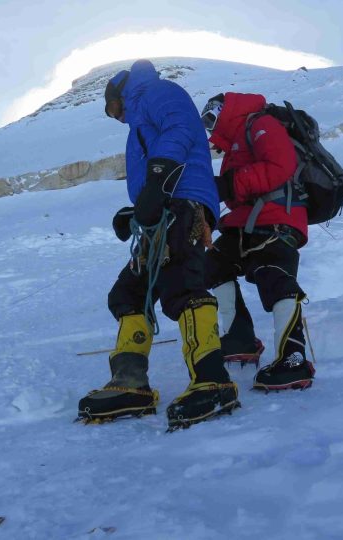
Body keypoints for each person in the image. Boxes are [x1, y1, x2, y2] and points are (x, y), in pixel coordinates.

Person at [77, 60, 240, 430]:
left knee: (181, 284)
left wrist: (158, 179)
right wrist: (136, 210)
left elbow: (181, 129)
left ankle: (213, 380)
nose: (113, 116)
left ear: (119, 93)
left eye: (111, 108)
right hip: (164, 206)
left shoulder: (157, 93)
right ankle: (130, 382)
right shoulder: (139, 116)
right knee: (129, 293)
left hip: (183, 202)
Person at [201, 92, 315, 391]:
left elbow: (280, 165)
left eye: (211, 118)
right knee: (213, 263)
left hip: (278, 217)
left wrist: (229, 183)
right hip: (248, 221)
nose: (210, 127)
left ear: (225, 111)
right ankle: (239, 336)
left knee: (273, 275)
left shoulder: (261, 124)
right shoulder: (236, 144)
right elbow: (237, 189)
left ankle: (294, 358)